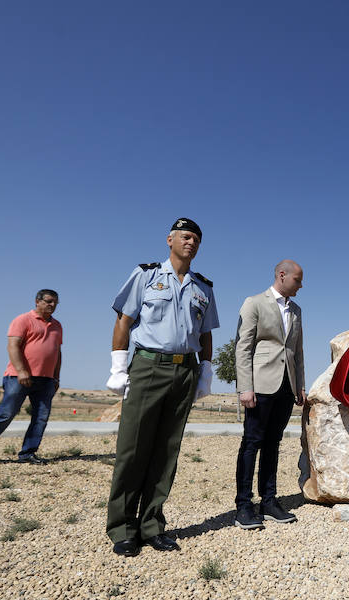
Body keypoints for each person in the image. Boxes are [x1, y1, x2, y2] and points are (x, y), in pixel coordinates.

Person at [104, 218, 218, 557]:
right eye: (185, 236)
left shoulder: (203, 288)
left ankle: (152, 525)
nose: (191, 243)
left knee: (166, 451)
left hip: (185, 371)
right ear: (170, 240)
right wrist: (118, 367)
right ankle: (123, 528)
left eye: (196, 239)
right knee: (133, 448)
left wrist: (205, 372)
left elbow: (206, 334)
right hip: (149, 367)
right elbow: (124, 321)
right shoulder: (146, 276)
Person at [233, 260, 306, 529]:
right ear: (282, 275)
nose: (301, 285)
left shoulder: (296, 310)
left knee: (273, 443)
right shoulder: (254, 303)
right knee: (251, 443)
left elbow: (297, 351)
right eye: (298, 280)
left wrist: (300, 385)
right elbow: (243, 347)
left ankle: (269, 502)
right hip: (260, 385)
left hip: (286, 387)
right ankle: (243, 505)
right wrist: (245, 387)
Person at [0, 290, 62, 467]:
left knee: (40, 418)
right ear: (37, 301)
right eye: (49, 301)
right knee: (5, 414)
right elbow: (13, 346)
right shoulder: (23, 320)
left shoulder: (57, 325)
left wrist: (56, 377)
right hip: (18, 377)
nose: (52, 305)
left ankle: (28, 453)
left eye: (55, 302)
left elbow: (57, 352)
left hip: (45, 380)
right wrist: (21, 371)